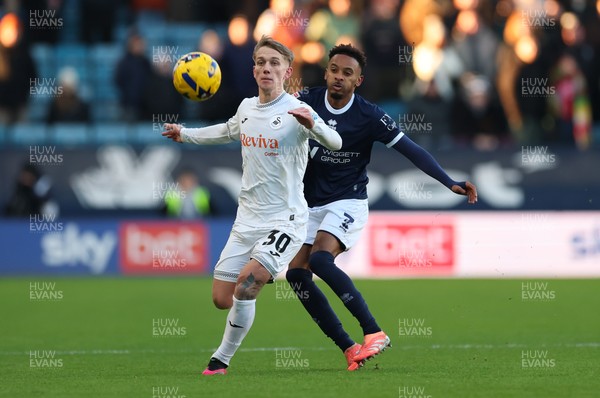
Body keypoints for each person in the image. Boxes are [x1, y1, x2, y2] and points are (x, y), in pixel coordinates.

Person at [286, 43, 478, 371]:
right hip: (310, 204)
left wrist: (450, 182)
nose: (338, 77)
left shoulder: (370, 115)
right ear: (326, 71)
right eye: (334, 70)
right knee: (295, 275)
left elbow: (412, 150)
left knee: (320, 259)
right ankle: (348, 347)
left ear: (357, 80)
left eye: (347, 73)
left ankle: (373, 330)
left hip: (348, 201)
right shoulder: (306, 101)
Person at [161, 35, 342, 375]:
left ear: (287, 71)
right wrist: (185, 133)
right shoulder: (246, 108)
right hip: (246, 220)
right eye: (260, 62)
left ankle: (220, 360)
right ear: (254, 69)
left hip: (285, 219)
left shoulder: (297, 111)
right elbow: (226, 131)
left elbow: (336, 141)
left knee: (246, 284)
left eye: (274, 63)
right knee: (221, 299)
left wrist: (314, 124)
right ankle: (255, 286)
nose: (266, 68)